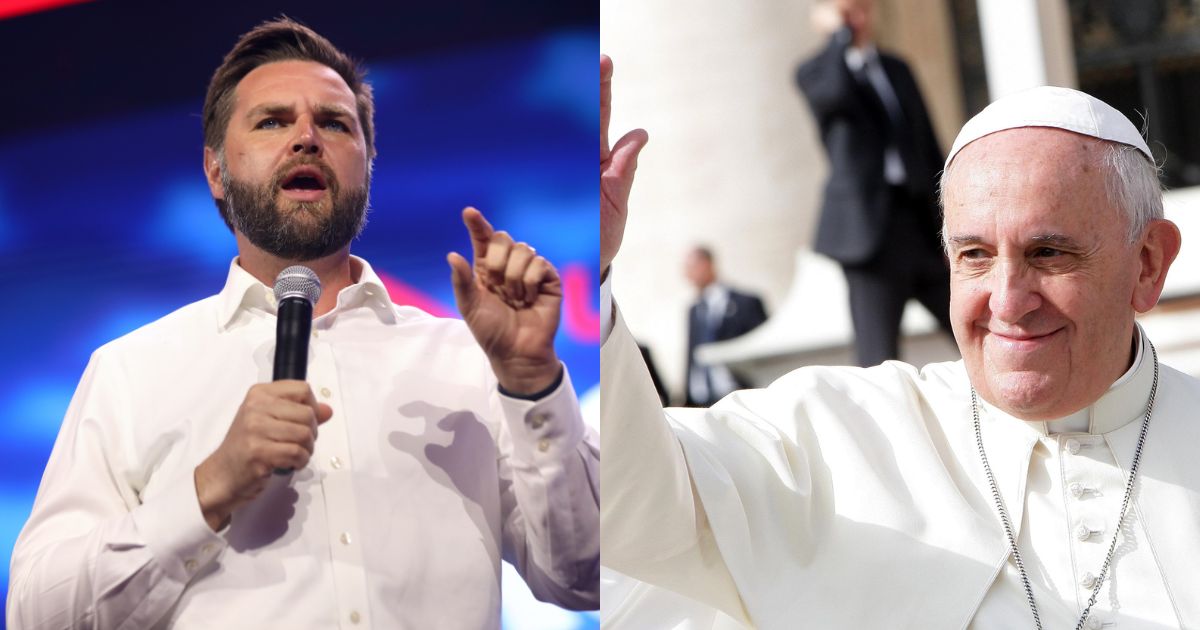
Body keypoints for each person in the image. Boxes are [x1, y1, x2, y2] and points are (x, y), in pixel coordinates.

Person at [8, 19, 598, 629]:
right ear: (216, 170)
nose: (307, 138)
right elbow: (36, 613)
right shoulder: (130, 371)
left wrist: (531, 382)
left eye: (335, 123)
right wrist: (207, 488)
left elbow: (585, 577)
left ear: (367, 165)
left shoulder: (468, 360)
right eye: (271, 121)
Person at [602, 51, 1197, 628]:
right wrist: (586, 277)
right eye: (975, 256)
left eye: (1048, 253)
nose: (1009, 301)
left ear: (1147, 264)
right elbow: (632, 502)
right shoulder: (834, 433)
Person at [795, 0, 953, 367]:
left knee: (978, 327)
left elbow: (927, 144)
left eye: (863, 9)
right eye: (847, 13)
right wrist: (838, 37)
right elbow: (833, 96)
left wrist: (952, 217)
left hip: (920, 223)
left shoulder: (897, 68)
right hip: (868, 238)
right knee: (878, 356)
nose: (858, 20)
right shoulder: (816, 71)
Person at [683, 246, 768, 407]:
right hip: (702, 400)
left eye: (692, 267)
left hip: (738, 394)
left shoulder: (746, 303)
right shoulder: (694, 310)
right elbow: (692, 354)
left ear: (707, 265)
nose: (687, 275)